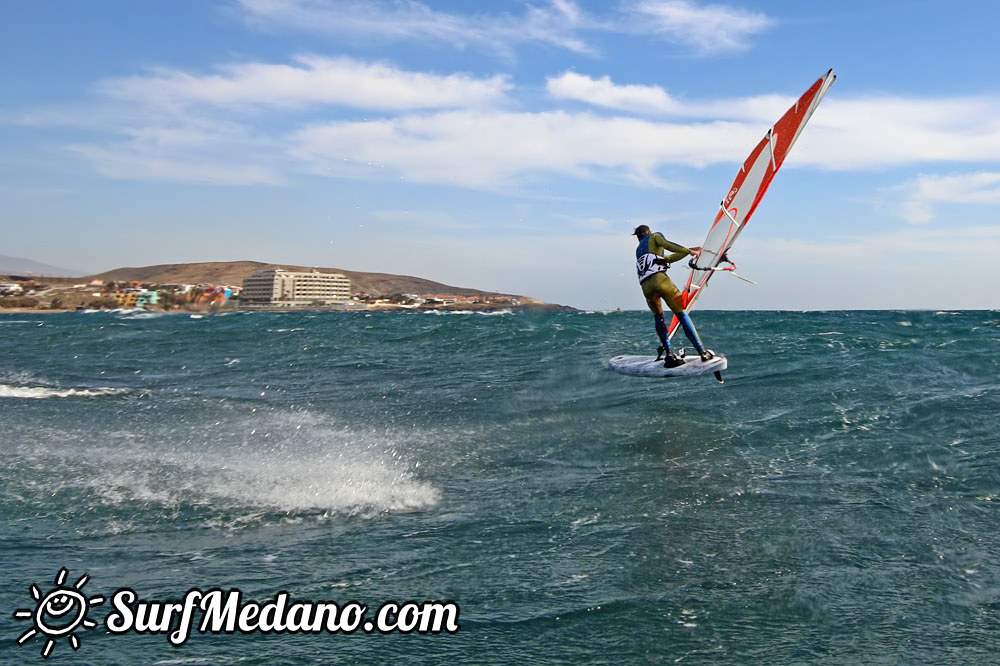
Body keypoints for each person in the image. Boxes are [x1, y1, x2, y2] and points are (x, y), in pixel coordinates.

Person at [632, 224, 714, 368]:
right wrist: (689, 251)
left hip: (646, 288)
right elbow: (669, 245)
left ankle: (669, 354)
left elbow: (667, 258)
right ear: (648, 232)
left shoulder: (639, 250)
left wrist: (690, 251)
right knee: (681, 314)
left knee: (659, 317)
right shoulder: (655, 236)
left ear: (638, 237)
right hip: (660, 281)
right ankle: (702, 352)